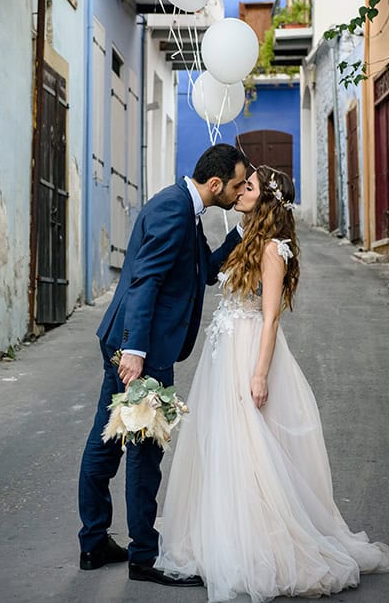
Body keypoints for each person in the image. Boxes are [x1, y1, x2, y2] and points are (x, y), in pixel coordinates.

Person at [155, 165, 389, 602]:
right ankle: (222, 532)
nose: (240, 191)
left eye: (248, 188)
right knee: (222, 447)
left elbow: (270, 317)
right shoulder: (245, 240)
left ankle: (259, 544)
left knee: (251, 450)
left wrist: (260, 373)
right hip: (221, 356)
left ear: (265, 200)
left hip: (249, 353)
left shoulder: (272, 250)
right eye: (241, 185)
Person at [77, 143, 248, 586]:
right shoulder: (175, 209)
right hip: (142, 348)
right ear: (215, 184)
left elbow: (202, 272)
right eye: (235, 185)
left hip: (135, 343)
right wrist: (134, 352)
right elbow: (145, 280)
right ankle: (144, 558)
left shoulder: (185, 209)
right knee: (143, 451)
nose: (238, 192)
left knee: (109, 441)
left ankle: (94, 542)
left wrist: (238, 239)